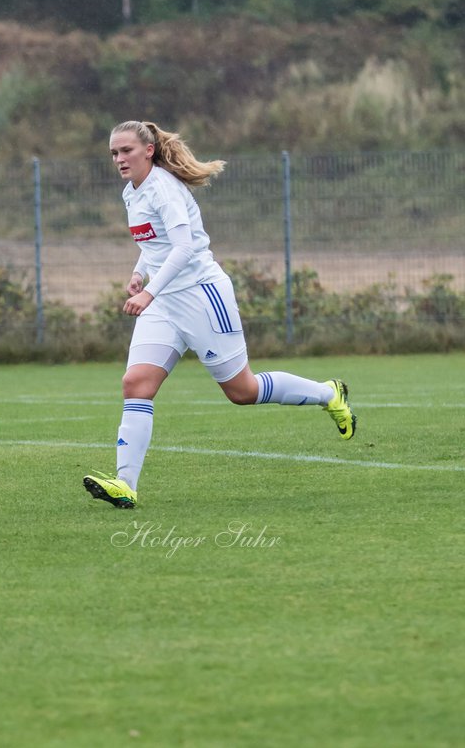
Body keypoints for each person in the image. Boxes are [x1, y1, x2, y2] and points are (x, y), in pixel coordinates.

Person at [82, 121, 356, 509]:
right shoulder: (133, 192)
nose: (119, 159)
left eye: (126, 150)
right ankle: (125, 484)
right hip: (164, 303)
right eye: (113, 153)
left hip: (201, 296)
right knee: (136, 383)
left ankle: (329, 393)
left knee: (242, 391)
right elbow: (155, 243)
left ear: (148, 150)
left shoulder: (163, 188)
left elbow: (184, 247)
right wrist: (138, 273)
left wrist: (148, 292)